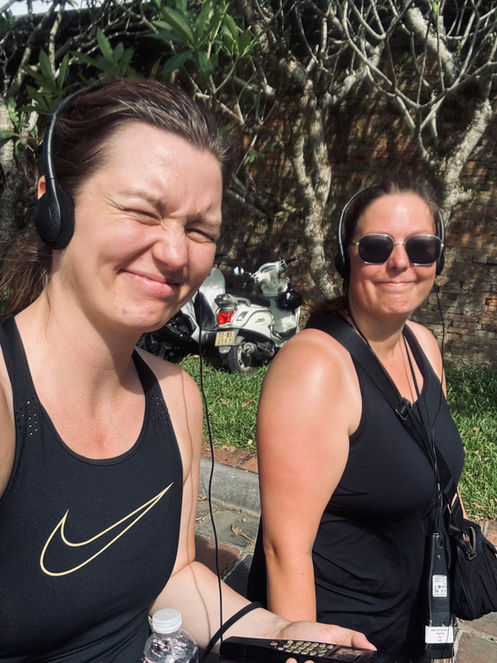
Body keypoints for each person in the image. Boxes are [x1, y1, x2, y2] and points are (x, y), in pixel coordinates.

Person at [0, 79, 374, 662]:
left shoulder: (176, 396)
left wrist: (281, 631)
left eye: (200, 231)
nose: (176, 254)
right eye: (141, 211)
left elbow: (174, 577)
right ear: (54, 206)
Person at [247, 179, 465, 662]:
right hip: (347, 640)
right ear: (346, 259)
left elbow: (437, 471)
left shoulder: (423, 346)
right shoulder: (315, 368)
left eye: (421, 247)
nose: (401, 262)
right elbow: (284, 549)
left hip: (417, 621)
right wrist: (307, 653)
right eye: (377, 247)